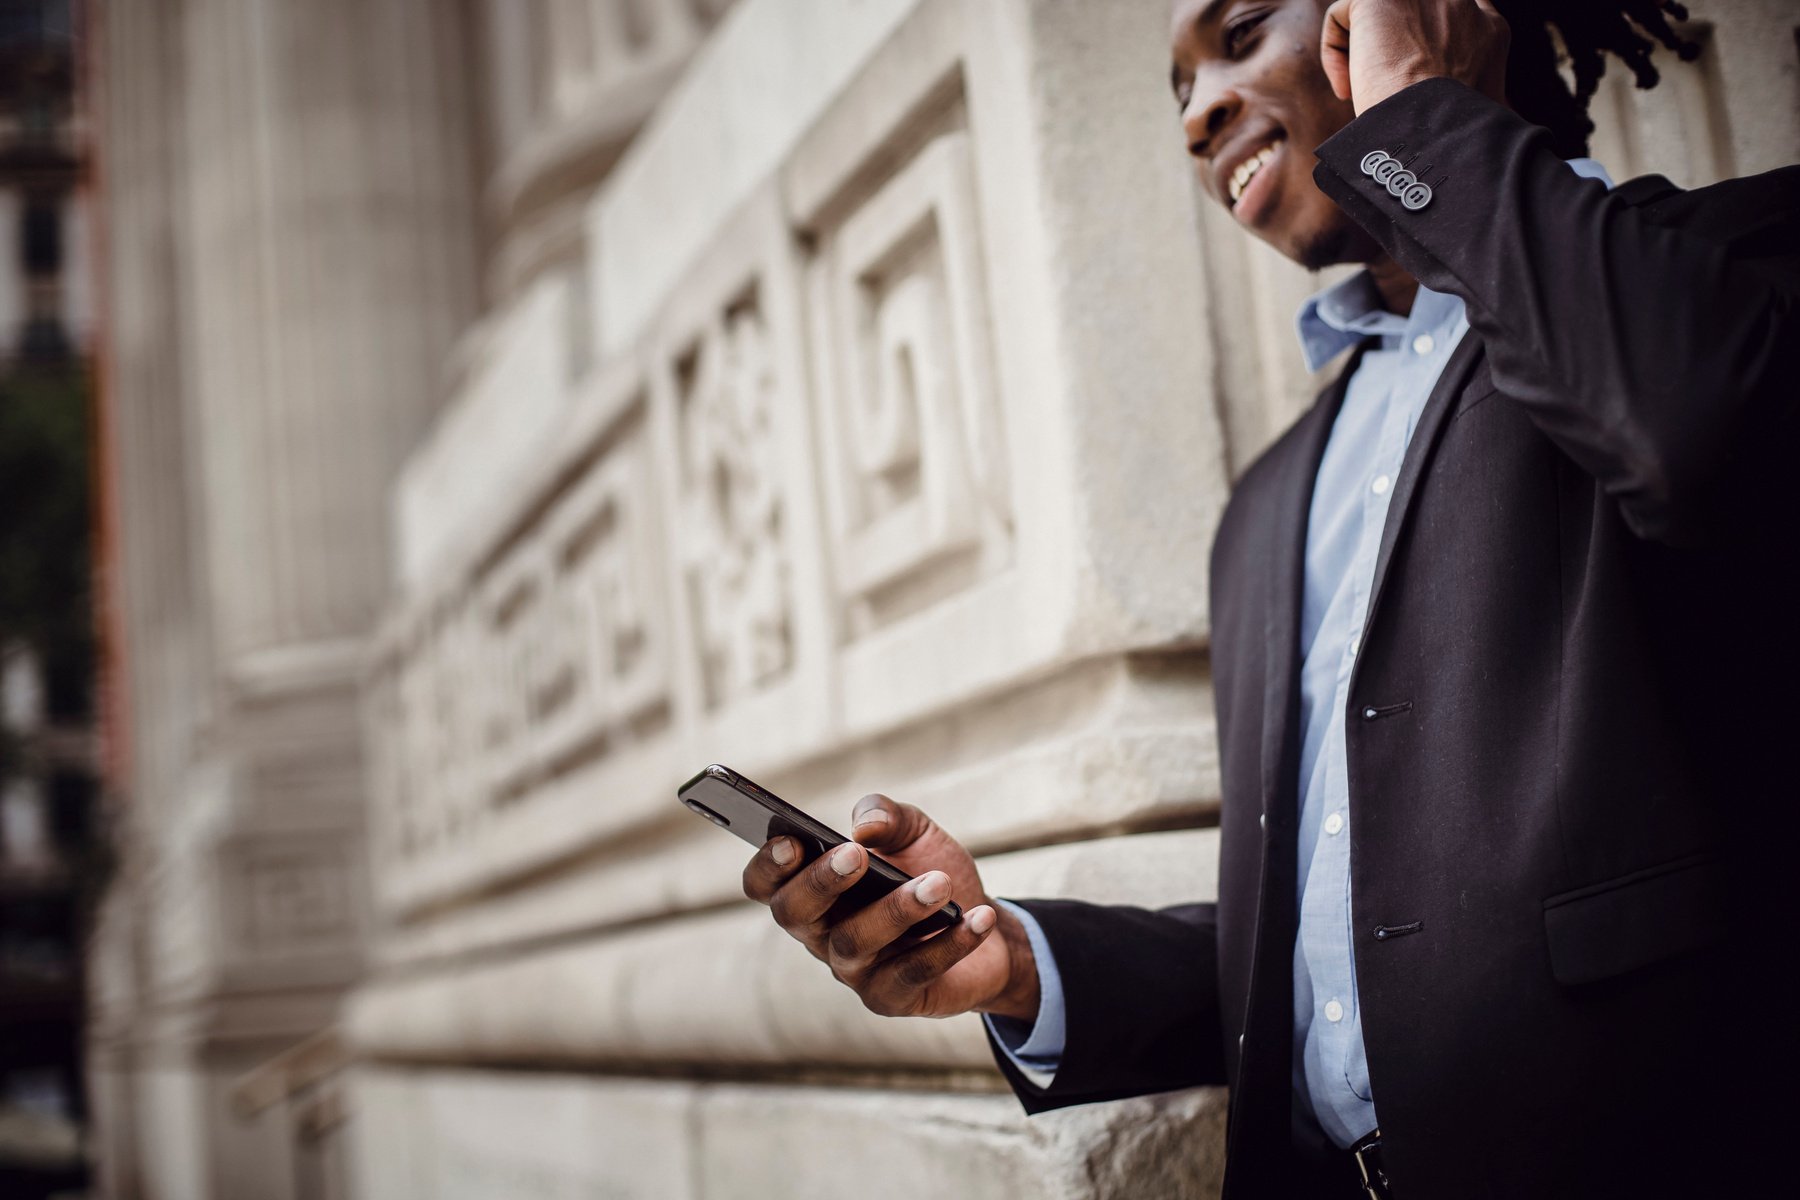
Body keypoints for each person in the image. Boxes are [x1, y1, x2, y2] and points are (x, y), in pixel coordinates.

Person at [741, 1, 1800, 1195]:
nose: (1198, 115)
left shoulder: (1732, 265)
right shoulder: (1270, 505)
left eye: (1243, 31)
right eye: (1178, 89)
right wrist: (1019, 964)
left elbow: (1697, 440)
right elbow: (1344, 942)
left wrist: (1416, 126)